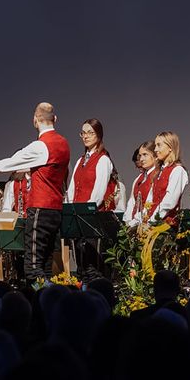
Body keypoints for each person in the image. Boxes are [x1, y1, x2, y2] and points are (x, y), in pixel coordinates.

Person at [0, 103, 72, 281]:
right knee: (45, 265)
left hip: (40, 209)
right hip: (56, 210)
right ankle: (46, 303)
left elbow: (13, 162)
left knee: (32, 268)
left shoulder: (41, 146)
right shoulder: (64, 143)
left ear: (35, 120)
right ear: (55, 119)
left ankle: (41, 299)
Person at [67, 118, 116, 282]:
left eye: (90, 132)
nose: (86, 136)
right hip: (77, 218)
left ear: (98, 135)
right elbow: (72, 188)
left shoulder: (103, 160)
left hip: (91, 219)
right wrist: (69, 211)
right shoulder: (80, 161)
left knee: (92, 266)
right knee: (80, 264)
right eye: (83, 133)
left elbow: (99, 192)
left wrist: (84, 212)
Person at [144, 131, 189, 226]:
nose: (155, 149)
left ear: (170, 147)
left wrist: (152, 221)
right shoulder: (159, 171)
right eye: (155, 146)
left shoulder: (178, 170)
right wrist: (144, 220)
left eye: (159, 145)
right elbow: (150, 199)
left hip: (166, 227)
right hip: (151, 223)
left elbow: (169, 202)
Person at [123, 141, 159, 227]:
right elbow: (131, 202)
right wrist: (127, 222)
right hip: (134, 225)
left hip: (148, 225)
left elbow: (150, 204)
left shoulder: (157, 176)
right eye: (140, 155)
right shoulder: (138, 179)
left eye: (145, 155)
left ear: (155, 155)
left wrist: (134, 222)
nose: (141, 159)